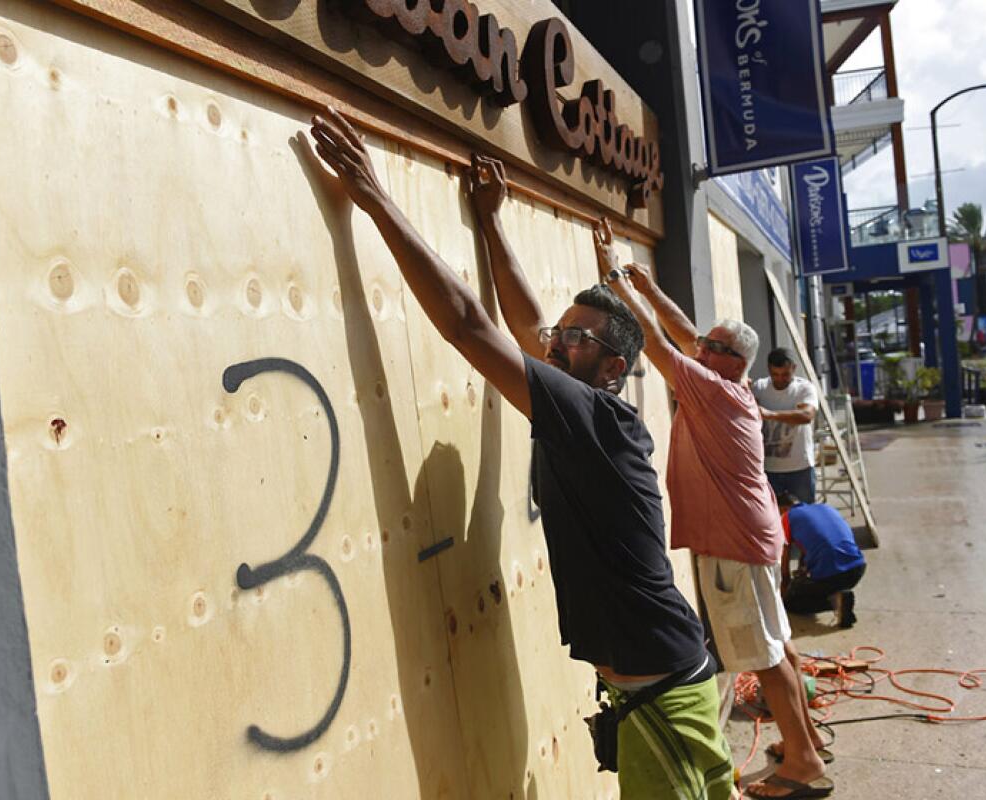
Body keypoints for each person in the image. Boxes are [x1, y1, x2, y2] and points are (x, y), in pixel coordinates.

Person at [300, 111, 734, 800]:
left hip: (664, 697)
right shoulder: (584, 401)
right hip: (651, 690)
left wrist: (377, 199)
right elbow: (531, 328)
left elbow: (474, 327)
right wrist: (492, 223)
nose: (558, 343)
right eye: (562, 334)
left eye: (578, 340)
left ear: (614, 366)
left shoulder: (593, 416)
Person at [594, 235, 832, 800]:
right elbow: (683, 333)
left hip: (732, 544)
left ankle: (803, 766)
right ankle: (808, 741)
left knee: (762, 654)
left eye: (711, 346)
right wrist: (649, 285)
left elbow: (656, 340)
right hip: (752, 535)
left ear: (730, 360)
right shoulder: (730, 381)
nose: (699, 348)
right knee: (779, 643)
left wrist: (614, 279)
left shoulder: (713, 388)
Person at [777, 494, 865, 629]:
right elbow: (814, 543)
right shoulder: (824, 508)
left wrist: (785, 594)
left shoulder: (786, 518)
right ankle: (839, 596)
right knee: (820, 582)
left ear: (782, 509)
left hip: (832, 574)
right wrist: (804, 570)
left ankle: (834, 600)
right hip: (856, 569)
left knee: (792, 602)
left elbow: (785, 566)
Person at [752, 349, 818, 505]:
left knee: (805, 517)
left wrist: (770, 414)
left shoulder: (804, 388)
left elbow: (807, 416)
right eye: (775, 374)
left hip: (800, 469)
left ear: (794, 369)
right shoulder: (760, 387)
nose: (780, 379)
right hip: (769, 469)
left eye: (785, 375)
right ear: (769, 369)